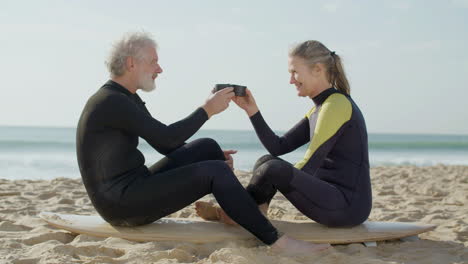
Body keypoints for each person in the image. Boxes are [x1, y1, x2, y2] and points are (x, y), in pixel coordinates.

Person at [76, 32, 330, 253]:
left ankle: (235, 212)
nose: (160, 69)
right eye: (154, 61)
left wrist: (211, 154)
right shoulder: (111, 101)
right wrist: (207, 109)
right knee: (214, 172)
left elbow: (166, 145)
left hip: (131, 188)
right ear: (131, 63)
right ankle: (277, 242)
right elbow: (168, 139)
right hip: (120, 205)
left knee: (206, 147)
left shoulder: (124, 98)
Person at [197, 40, 372, 228]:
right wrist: (251, 110)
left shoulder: (336, 105)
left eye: (294, 72)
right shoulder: (319, 109)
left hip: (348, 206)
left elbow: (310, 164)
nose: (291, 80)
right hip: (330, 199)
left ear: (317, 69)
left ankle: (239, 212)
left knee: (272, 168)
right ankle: (253, 211)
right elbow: (278, 147)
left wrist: (272, 179)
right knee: (265, 161)